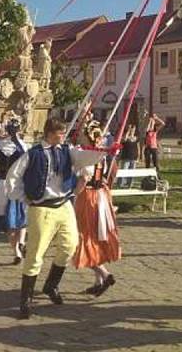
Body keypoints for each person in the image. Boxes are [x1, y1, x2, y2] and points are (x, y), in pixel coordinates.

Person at [6, 116, 107, 319]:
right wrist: (24, 197)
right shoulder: (33, 154)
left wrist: (104, 151)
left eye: (63, 133)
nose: (63, 136)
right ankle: (25, 300)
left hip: (63, 204)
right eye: (60, 133)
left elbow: (84, 156)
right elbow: (12, 177)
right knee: (36, 253)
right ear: (50, 134)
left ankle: (51, 286)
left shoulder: (66, 151)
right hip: (41, 208)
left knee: (70, 244)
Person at [72, 120, 120, 297]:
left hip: (89, 198)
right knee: (96, 235)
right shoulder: (100, 156)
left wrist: (73, 196)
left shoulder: (87, 157)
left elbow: (84, 180)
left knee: (83, 237)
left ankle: (105, 275)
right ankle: (98, 281)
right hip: (101, 196)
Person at [0, 115, 29, 264]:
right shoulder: (24, 146)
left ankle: (17, 250)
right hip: (16, 184)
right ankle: (20, 244)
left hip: (3, 183)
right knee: (19, 218)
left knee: (10, 220)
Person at [116, 124, 139, 189]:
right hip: (126, 157)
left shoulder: (135, 138)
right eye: (132, 129)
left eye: (133, 129)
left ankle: (129, 184)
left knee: (132, 171)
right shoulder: (125, 137)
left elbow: (138, 147)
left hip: (133, 157)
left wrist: (139, 155)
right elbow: (124, 140)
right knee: (124, 171)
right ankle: (120, 184)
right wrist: (128, 130)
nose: (132, 131)